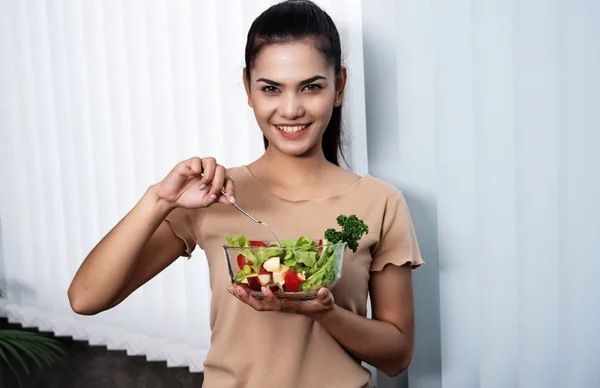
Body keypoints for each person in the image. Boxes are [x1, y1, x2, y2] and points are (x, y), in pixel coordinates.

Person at [67, 1, 424, 387]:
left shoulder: (380, 202)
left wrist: (322, 311)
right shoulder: (214, 196)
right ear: (248, 89)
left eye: (311, 87)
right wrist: (158, 200)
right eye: (271, 88)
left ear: (339, 86)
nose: (290, 109)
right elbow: (86, 299)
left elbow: (397, 356)